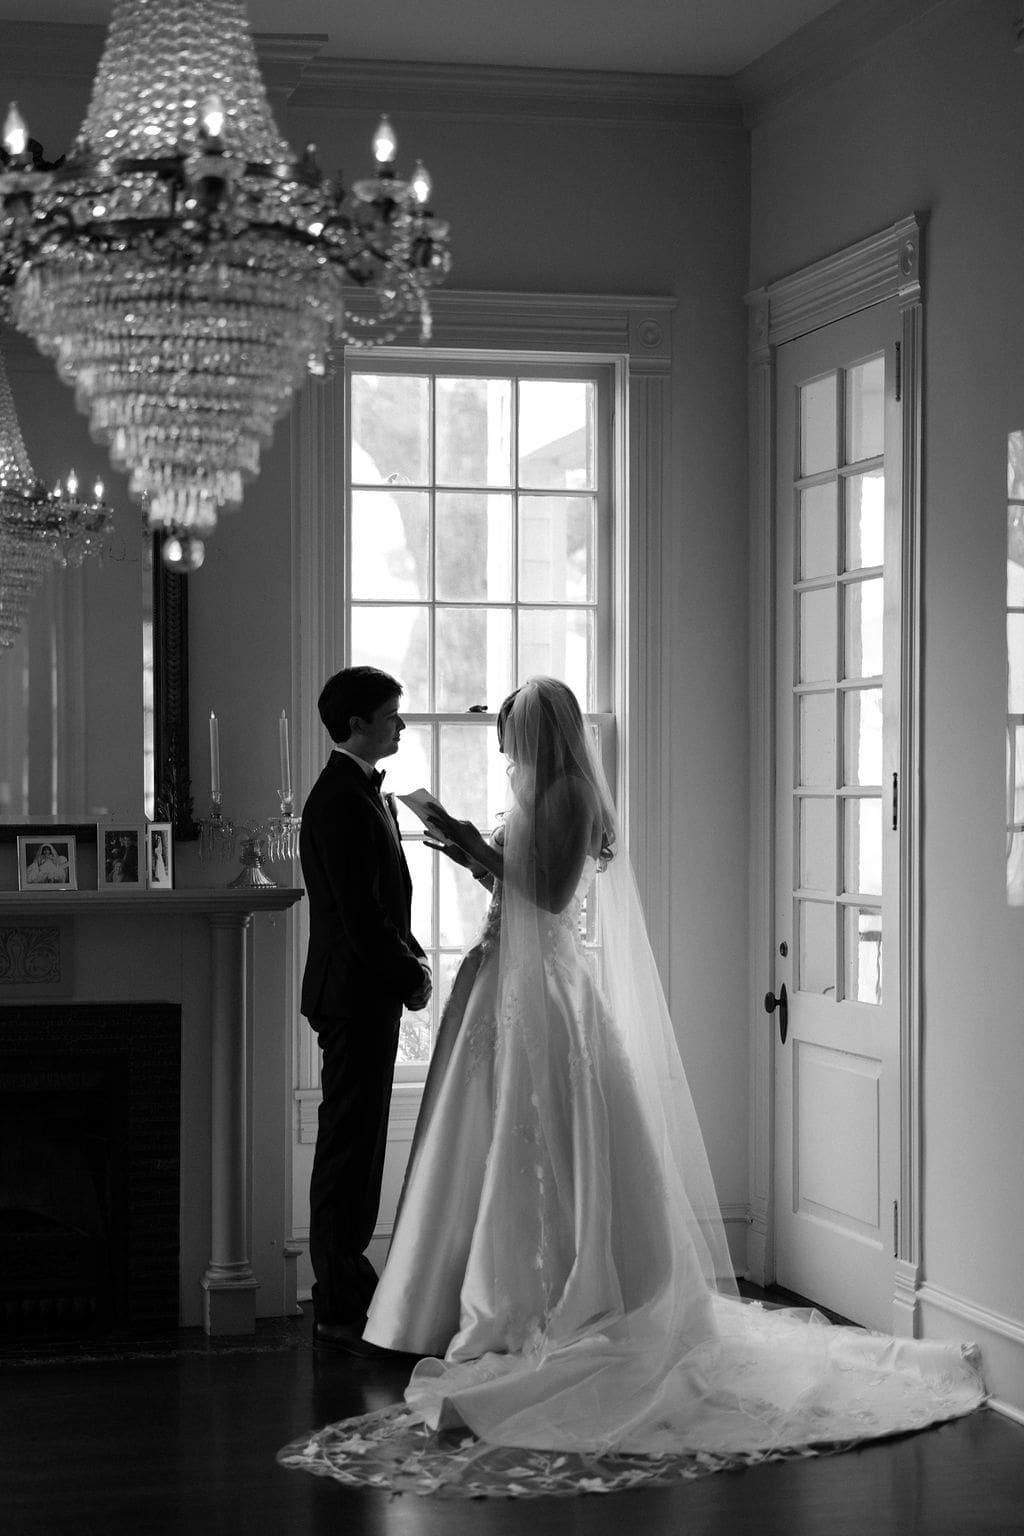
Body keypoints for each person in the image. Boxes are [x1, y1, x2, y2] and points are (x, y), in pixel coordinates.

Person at [282, 677, 983, 1494]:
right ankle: (438, 1298)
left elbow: (543, 895)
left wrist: (476, 850)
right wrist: (477, 853)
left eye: (512, 735)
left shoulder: (570, 792)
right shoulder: (533, 787)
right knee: (486, 1135)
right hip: (504, 972)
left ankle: (536, 1293)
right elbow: (515, 881)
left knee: (542, 1131)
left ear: (544, 733)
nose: (505, 750)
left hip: (539, 983)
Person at [299, 665, 432, 1358]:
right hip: (353, 998)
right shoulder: (342, 799)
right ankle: (338, 1300)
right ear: (357, 724)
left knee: (355, 1148)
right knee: (348, 1152)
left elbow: (382, 902)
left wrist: (408, 959)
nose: (402, 725)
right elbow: (359, 916)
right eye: (392, 714)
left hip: (358, 994)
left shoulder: (358, 792)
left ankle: (347, 1289)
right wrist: (409, 972)